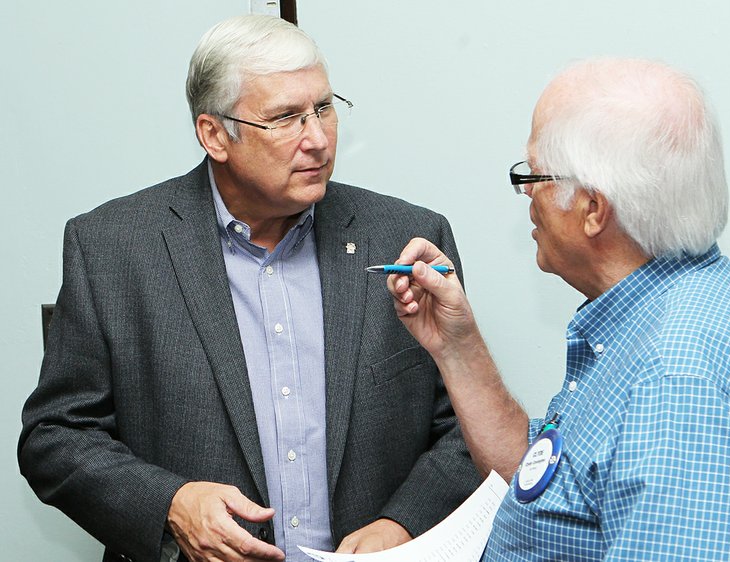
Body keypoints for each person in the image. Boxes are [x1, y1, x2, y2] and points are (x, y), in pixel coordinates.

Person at [18, 14, 479, 562]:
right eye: (285, 118)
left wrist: (402, 524)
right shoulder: (112, 249)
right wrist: (170, 503)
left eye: (324, 109)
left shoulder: (406, 239)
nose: (318, 141)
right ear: (215, 134)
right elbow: (55, 435)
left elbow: (467, 427)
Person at [387, 58, 730, 561]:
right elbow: (551, 486)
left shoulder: (679, 381)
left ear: (594, 210)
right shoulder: (660, 311)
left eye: (534, 175)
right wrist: (456, 346)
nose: (527, 197)